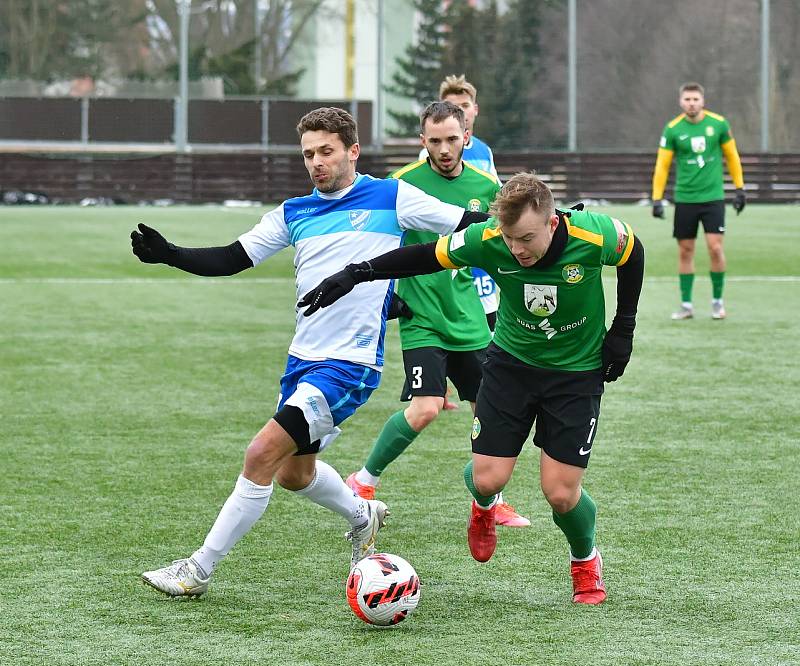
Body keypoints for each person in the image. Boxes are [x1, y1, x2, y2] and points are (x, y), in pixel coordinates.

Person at [131, 107, 488, 599]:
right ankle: (363, 514)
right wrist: (172, 254)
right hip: (303, 359)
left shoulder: (392, 196)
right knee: (294, 473)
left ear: (352, 150)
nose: (316, 162)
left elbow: (469, 222)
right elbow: (233, 258)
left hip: (349, 367)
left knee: (260, 454)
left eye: (326, 151)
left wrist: (546, 220)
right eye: (308, 154)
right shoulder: (293, 212)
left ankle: (197, 569)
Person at [299, 173, 645, 605]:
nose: (516, 249)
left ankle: (585, 561)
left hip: (576, 375)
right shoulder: (488, 238)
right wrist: (357, 273)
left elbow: (634, 254)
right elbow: (427, 255)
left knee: (559, 493)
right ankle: (483, 507)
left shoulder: (596, 234)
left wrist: (623, 328)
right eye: (509, 238)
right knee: (487, 481)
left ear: (553, 223)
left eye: (526, 238)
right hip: (511, 368)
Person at [346, 100, 529, 528]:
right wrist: (382, 293)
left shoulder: (486, 185)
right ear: (422, 141)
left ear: (466, 137)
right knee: (426, 407)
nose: (444, 149)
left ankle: (490, 500)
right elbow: (378, 242)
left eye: (452, 139)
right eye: (435, 141)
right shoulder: (403, 184)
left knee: (490, 412)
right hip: (421, 313)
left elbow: (504, 244)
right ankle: (363, 480)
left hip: (466, 313)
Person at [651, 82, 745, 320]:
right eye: (687, 99)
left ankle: (717, 302)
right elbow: (662, 166)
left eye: (695, 99)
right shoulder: (672, 129)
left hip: (713, 198)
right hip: (685, 198)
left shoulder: (719, 124)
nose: (691, 103)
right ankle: (686, 305)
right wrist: (657, 198)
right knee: (685, 251)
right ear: (681, 102)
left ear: (702, 101)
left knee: (715, 248)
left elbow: (732, 156)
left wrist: (740, 189)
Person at [432, 74, 501, 332]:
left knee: (487, 323)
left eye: (464, 106)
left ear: (475, 110)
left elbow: (495, 195)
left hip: (479, 247)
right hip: (447, 248)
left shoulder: (483, 151)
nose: (459, 112)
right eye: (451, 107)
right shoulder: (431, 153)